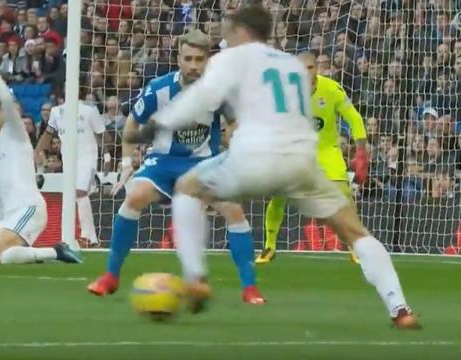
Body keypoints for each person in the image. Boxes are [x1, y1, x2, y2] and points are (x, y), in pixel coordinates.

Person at [131, 5, 419, 328]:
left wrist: (157, 124)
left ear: (242, 31)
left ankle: (196, 278)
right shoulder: (292, 66)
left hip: (252, 157)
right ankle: (400, 308)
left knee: (186, 188)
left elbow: (202, 97)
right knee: (354, 229)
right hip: (301, 162)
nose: (222, 35)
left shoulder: (232, 58)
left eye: (227, 29)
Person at [86, 30, 264, 304]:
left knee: (234, 209)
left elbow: (233, 124)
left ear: (208, 60)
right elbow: (133, 123)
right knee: (135, 196)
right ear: (178, 58)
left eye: (199, 59)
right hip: (163, 162)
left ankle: (249, 288)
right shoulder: (159, 89)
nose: (194, 65)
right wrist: (125, 163)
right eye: (188, 58)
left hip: (202, 164)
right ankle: (111, 276)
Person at [0, 47, 81, 265]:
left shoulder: (15, 133)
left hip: (28, 209)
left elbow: (5, 97)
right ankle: (28, 252)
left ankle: (55, 252)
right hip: (6, 217)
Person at [256, 52, 368, 264]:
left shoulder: (332, 89)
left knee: (344, 193)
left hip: (326, 150)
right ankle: (269, 246)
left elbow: (354, 118)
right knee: (278, 196)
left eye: (310, 68)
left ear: (317, 69)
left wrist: (361, 151)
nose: (305, 73)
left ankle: (355, 246)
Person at [35, 86, 110, 248]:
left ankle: (88, 237)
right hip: (69, 160)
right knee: (71, 197)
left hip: (88, 158)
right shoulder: (56, 112)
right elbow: (47, 134)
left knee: (80, 193)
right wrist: (36, 152)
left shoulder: (90, 111)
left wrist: (107, 157)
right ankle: (71, 236)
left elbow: (103, 136)